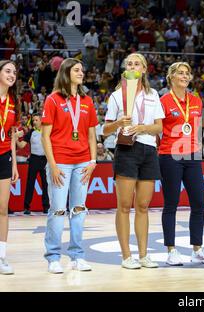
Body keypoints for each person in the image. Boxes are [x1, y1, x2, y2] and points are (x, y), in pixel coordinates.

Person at [103, 53, 164, 269]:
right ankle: (126, 256)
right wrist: (120, 122)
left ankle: (144, 255)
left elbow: (159, 127)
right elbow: (105, 129)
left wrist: (142, 128)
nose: (133, 65)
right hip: (127, 149)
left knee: (143, 206)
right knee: (125, 205)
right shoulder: (117, 96)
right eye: (129, 62)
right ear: (125, 69)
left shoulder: (153, 94)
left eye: (137, 63)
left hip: (148, 149)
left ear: (144, 69)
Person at [41, 58, 98, 273]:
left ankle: (77, 256)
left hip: (83, 162)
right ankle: (53, 257)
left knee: (79, 209)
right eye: (76, 70)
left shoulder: (87, 101)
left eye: (82, 70)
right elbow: (46, 137)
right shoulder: (53, 100)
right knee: (57, 210)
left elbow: (92, 135)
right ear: (66, 72)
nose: (81, 73)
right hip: (61, 163)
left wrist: (93, 161)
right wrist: (53, 165)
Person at [159, 62, 204, 266]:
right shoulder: (164, 101)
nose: (184, 76)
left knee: (199, 203)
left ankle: (197, 249)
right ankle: (171, 250)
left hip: (192, 157)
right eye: (180, 73)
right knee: (171, 204)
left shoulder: (195, 100)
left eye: (187, 73)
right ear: (171, 77)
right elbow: (159, 129)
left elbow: (197, 126)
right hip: (169, 156)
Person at [0, 60, 20, 275]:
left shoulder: (14, 102)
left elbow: (13, 135)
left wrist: (14, 163)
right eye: (7, 71)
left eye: (14, 72)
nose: (11, 74)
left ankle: (1, 256)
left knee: (3, 208)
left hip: (4, 156)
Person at [19, 113, 49, 214]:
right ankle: (26, 207)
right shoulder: (31, 132)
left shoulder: (47, 131)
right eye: (33, 120)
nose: (34, 122)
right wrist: (15, 139)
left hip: (45, 159)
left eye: (36, 120)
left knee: (46, 184)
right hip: (34, 159)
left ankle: (46, 207)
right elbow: (22, 145)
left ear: (41, 121)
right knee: (30, 183)